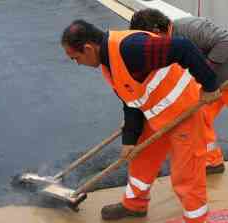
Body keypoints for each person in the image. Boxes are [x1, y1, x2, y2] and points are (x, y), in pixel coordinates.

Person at [61, 20, 221, 223]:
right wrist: (129, 139)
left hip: (184, 113)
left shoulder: (131, 48)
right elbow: (131, 101)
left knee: (186, 174)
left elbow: (183, 47)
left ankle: (196, 219)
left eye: (76, 58)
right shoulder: (108, 62)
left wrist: (209, 85)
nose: (77, 63)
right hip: (155, 115)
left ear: (88, 48)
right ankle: (134, 206)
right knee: (141, 158)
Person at [129, 8, 228, 174]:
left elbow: (225, 40)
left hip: (221, 78)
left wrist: (205, 73)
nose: (147, 45)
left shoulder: (190, 28)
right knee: (199, 118)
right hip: (212, 86)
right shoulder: (161, 46)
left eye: (148, 39)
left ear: (156, 31)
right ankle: (212, 161)